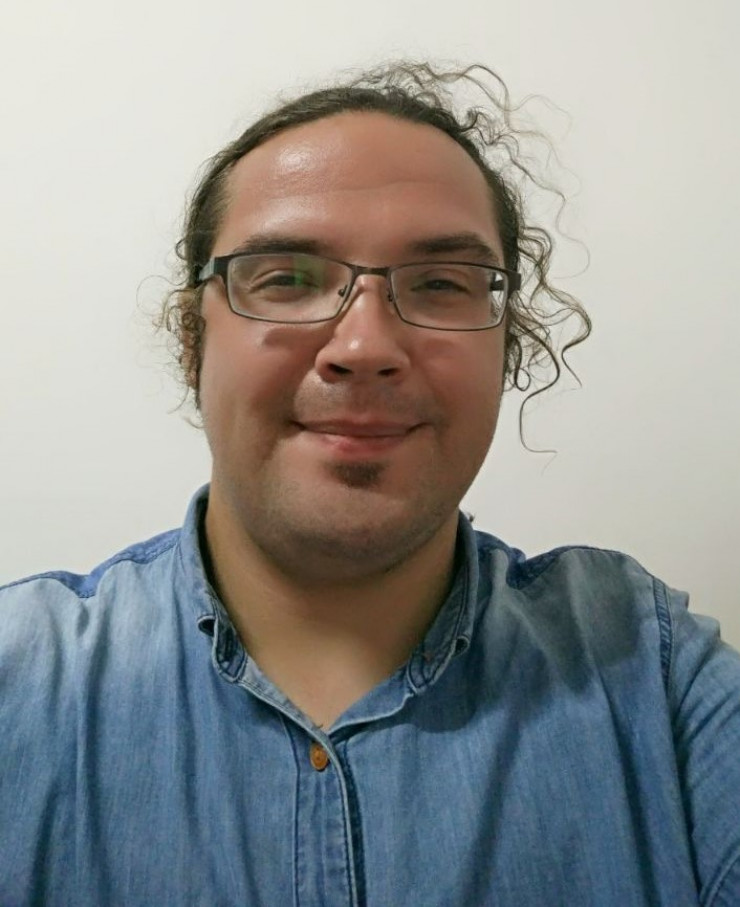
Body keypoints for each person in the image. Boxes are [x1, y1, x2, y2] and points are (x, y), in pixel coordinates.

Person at [1, 61, 738, 907]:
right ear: (192, 339)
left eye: (440, 284)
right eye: (286, 278)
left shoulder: (648, 669)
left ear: (509, 349)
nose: (363, 346)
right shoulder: (21, 678)